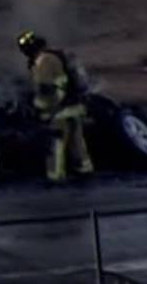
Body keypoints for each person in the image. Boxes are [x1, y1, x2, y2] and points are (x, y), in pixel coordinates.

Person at [17, 31, 94, 183]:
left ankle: (56, 176)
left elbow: (48, 90)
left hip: (59, 111)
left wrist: (40, 109)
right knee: (77, 141)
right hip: (75, 107)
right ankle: (84, 170)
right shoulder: (57, 56)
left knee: (55, 144)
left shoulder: (44, 62)